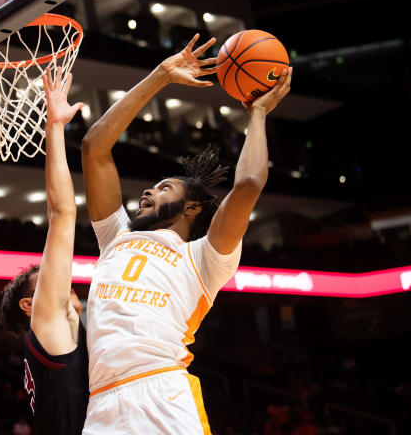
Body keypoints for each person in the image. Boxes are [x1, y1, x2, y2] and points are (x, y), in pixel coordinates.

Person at [80, 34, 292, 434]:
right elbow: (94, 147)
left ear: (192, 208)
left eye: (164, 188)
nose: (147, 191)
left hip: (162, 393)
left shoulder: (204, 260)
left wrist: (258, 114)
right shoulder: (116, 236)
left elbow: (247, 184)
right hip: (102, 402)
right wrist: (161, 75)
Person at [0, 67, 89, 435]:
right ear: (29, 305)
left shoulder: (60, 339)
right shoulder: (48, 325)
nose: (66, 282)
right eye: (53, 282)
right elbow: (62, 213)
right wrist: (54, 127)